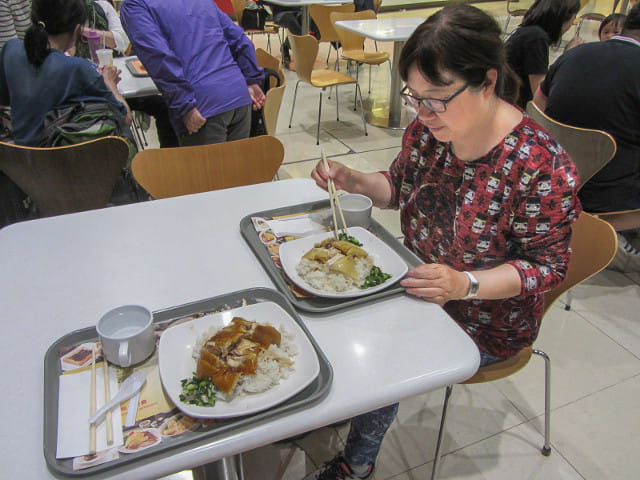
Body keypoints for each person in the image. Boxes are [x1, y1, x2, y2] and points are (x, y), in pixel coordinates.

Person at [305, 4, 580, 479]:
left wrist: (464, 284)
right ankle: (326, 405)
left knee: (386, 350)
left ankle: (356, 464)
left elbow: (548, 268)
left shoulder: (538, 164)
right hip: (423, 283)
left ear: (487, 82)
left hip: (486, 315)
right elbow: (398, 188)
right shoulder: (430, 131)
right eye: (415, 97)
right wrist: (352, 179)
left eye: (436, 98)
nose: (423, 113)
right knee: (321, 300)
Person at [534, 4, 640, 271]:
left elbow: (536, 108)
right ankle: (612, 233)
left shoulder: (575, 54)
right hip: (607, 196)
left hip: (548, 179)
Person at [120, 0, 265, 146]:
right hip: (238, 94)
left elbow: (159, 58)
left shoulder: (135, 5)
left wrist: (184, 105)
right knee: (235, 168)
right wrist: (251, 79)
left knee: (203, 169)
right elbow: (239, 38)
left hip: (202, 104)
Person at [0, 0, 131, 146]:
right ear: (77, 30)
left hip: (14, 160)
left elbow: (4, 103)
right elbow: (125, 118)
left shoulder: (11, 50)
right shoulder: (78, 69)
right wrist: (110, 83)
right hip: (62, 164)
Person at [75, 0, 179, 148]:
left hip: (115, 84)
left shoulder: (102, 7)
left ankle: (168, 159)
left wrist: (87, 33)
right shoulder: (62, 11)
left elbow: (122, 41)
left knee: (162, 105)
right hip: (84, 93)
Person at [505, 0, 580, 108]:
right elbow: (540, 93)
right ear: (563, 19)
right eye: (573, 19)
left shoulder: (525, 31)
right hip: (515, 108)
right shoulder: (536, 37)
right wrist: (568, 56)